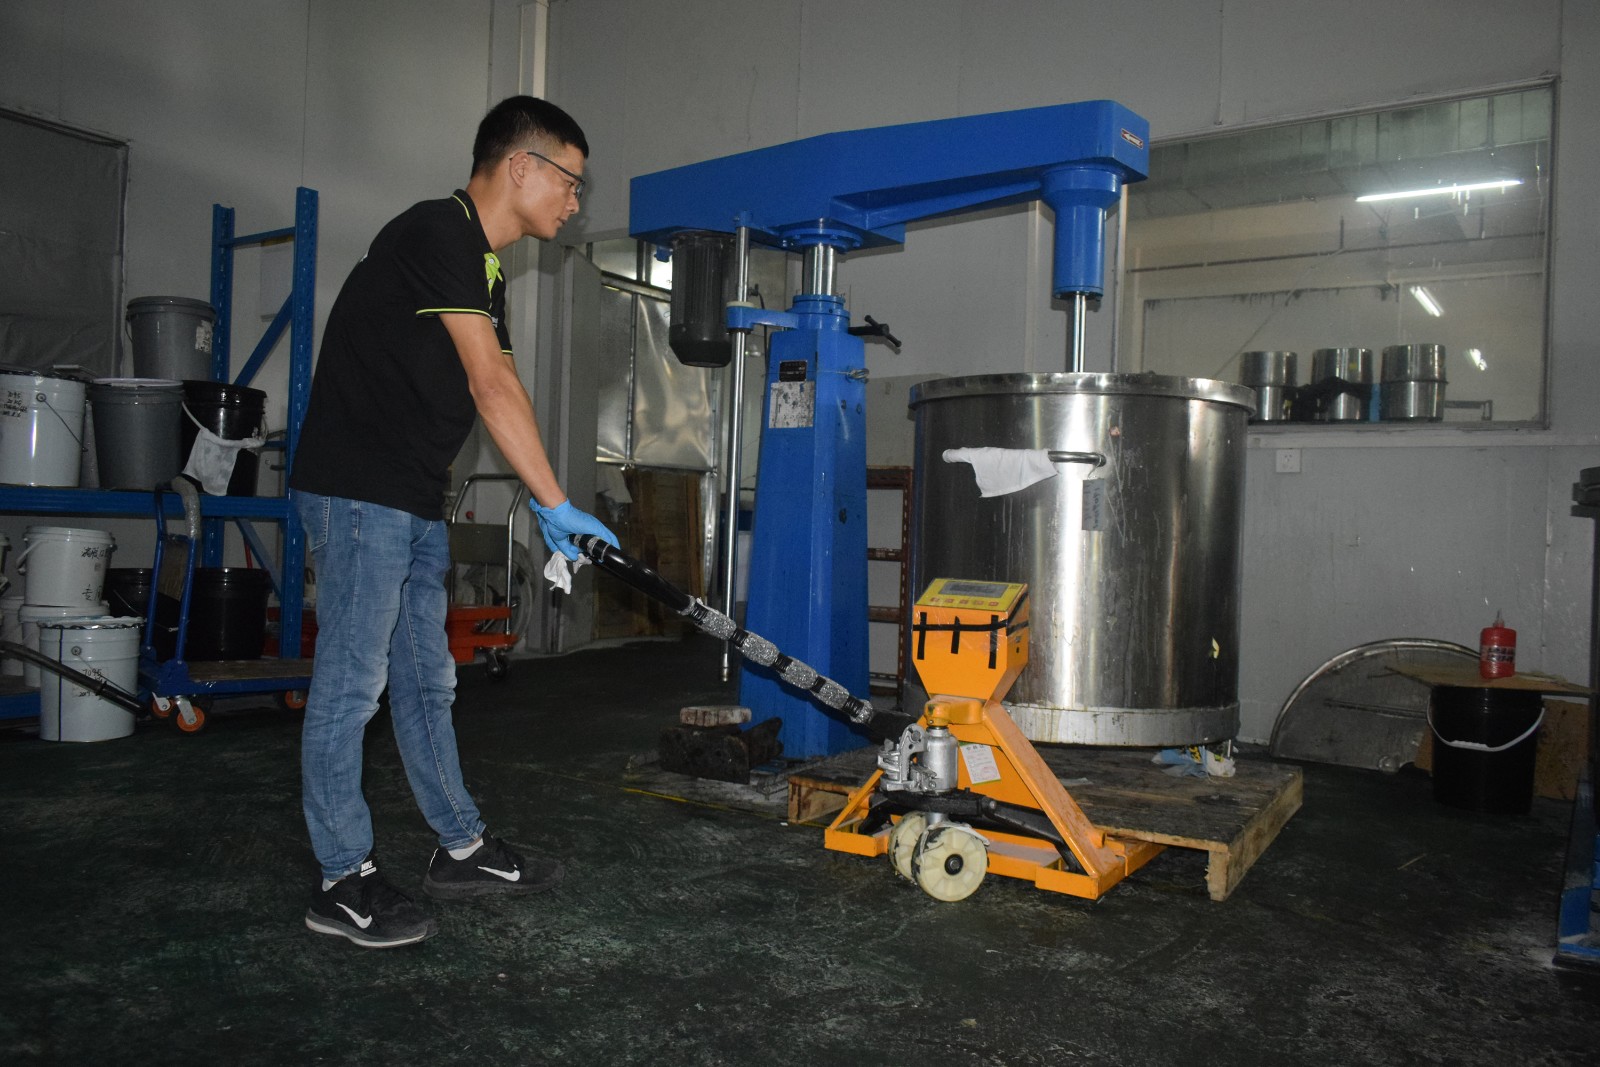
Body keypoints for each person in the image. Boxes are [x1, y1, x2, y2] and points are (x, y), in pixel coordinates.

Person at [287, 96, 618, 949]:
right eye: (570, 181)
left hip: (412, 493)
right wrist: (554, 502)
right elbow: (490, 384)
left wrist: (548, 501)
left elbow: (503, 381)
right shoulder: (437, 232)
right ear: (521, 166)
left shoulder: (485, 267)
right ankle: (340, 879)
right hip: (359, 490)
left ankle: (460, 847)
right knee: (352, 685)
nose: (575, 201)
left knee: (427, 679)